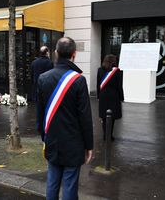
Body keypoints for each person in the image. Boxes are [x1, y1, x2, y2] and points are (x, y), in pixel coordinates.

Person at [37, 37, 93, 200]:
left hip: (52, 140)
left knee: (52, 183)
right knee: (69, 186)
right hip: (73, 143)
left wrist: (43, 137)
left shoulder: (43, 78)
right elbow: (85, 117)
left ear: (55, 53)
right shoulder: (79, 80)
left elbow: (40, 113)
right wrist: (89, 145)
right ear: (74, 54)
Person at [97, 54, 124, 141]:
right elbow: (119, 86)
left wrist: (98, 96)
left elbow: (98, 84)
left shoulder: (100, 70)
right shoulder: (117, 71)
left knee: (104, 117)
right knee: (112, 117)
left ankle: (105, 135)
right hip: (114, 96)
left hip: (103, 96)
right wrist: (121, 97)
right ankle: (110, 135)